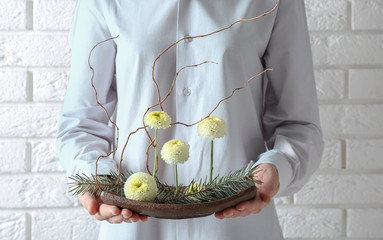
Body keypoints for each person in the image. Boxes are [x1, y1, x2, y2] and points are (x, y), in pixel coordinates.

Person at [56, 0, 324, 239]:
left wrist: (278, 168)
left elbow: (298, 123)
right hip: (133, 223)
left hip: (238, 226)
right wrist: (97, 179)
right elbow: (82, 120)